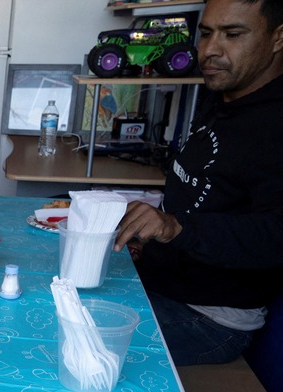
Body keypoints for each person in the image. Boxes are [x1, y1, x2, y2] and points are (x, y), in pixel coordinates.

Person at [114, 0, 283, 366]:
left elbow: (275, 235)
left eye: (233, 34)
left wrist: (175, 228)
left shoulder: (274, 124)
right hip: (164, 283)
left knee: (65, 330)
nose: (209, 50)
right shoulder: (221, 97)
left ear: (277, 38)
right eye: (206, 34)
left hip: (211, 319)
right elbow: (202, 194)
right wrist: (152, 238)